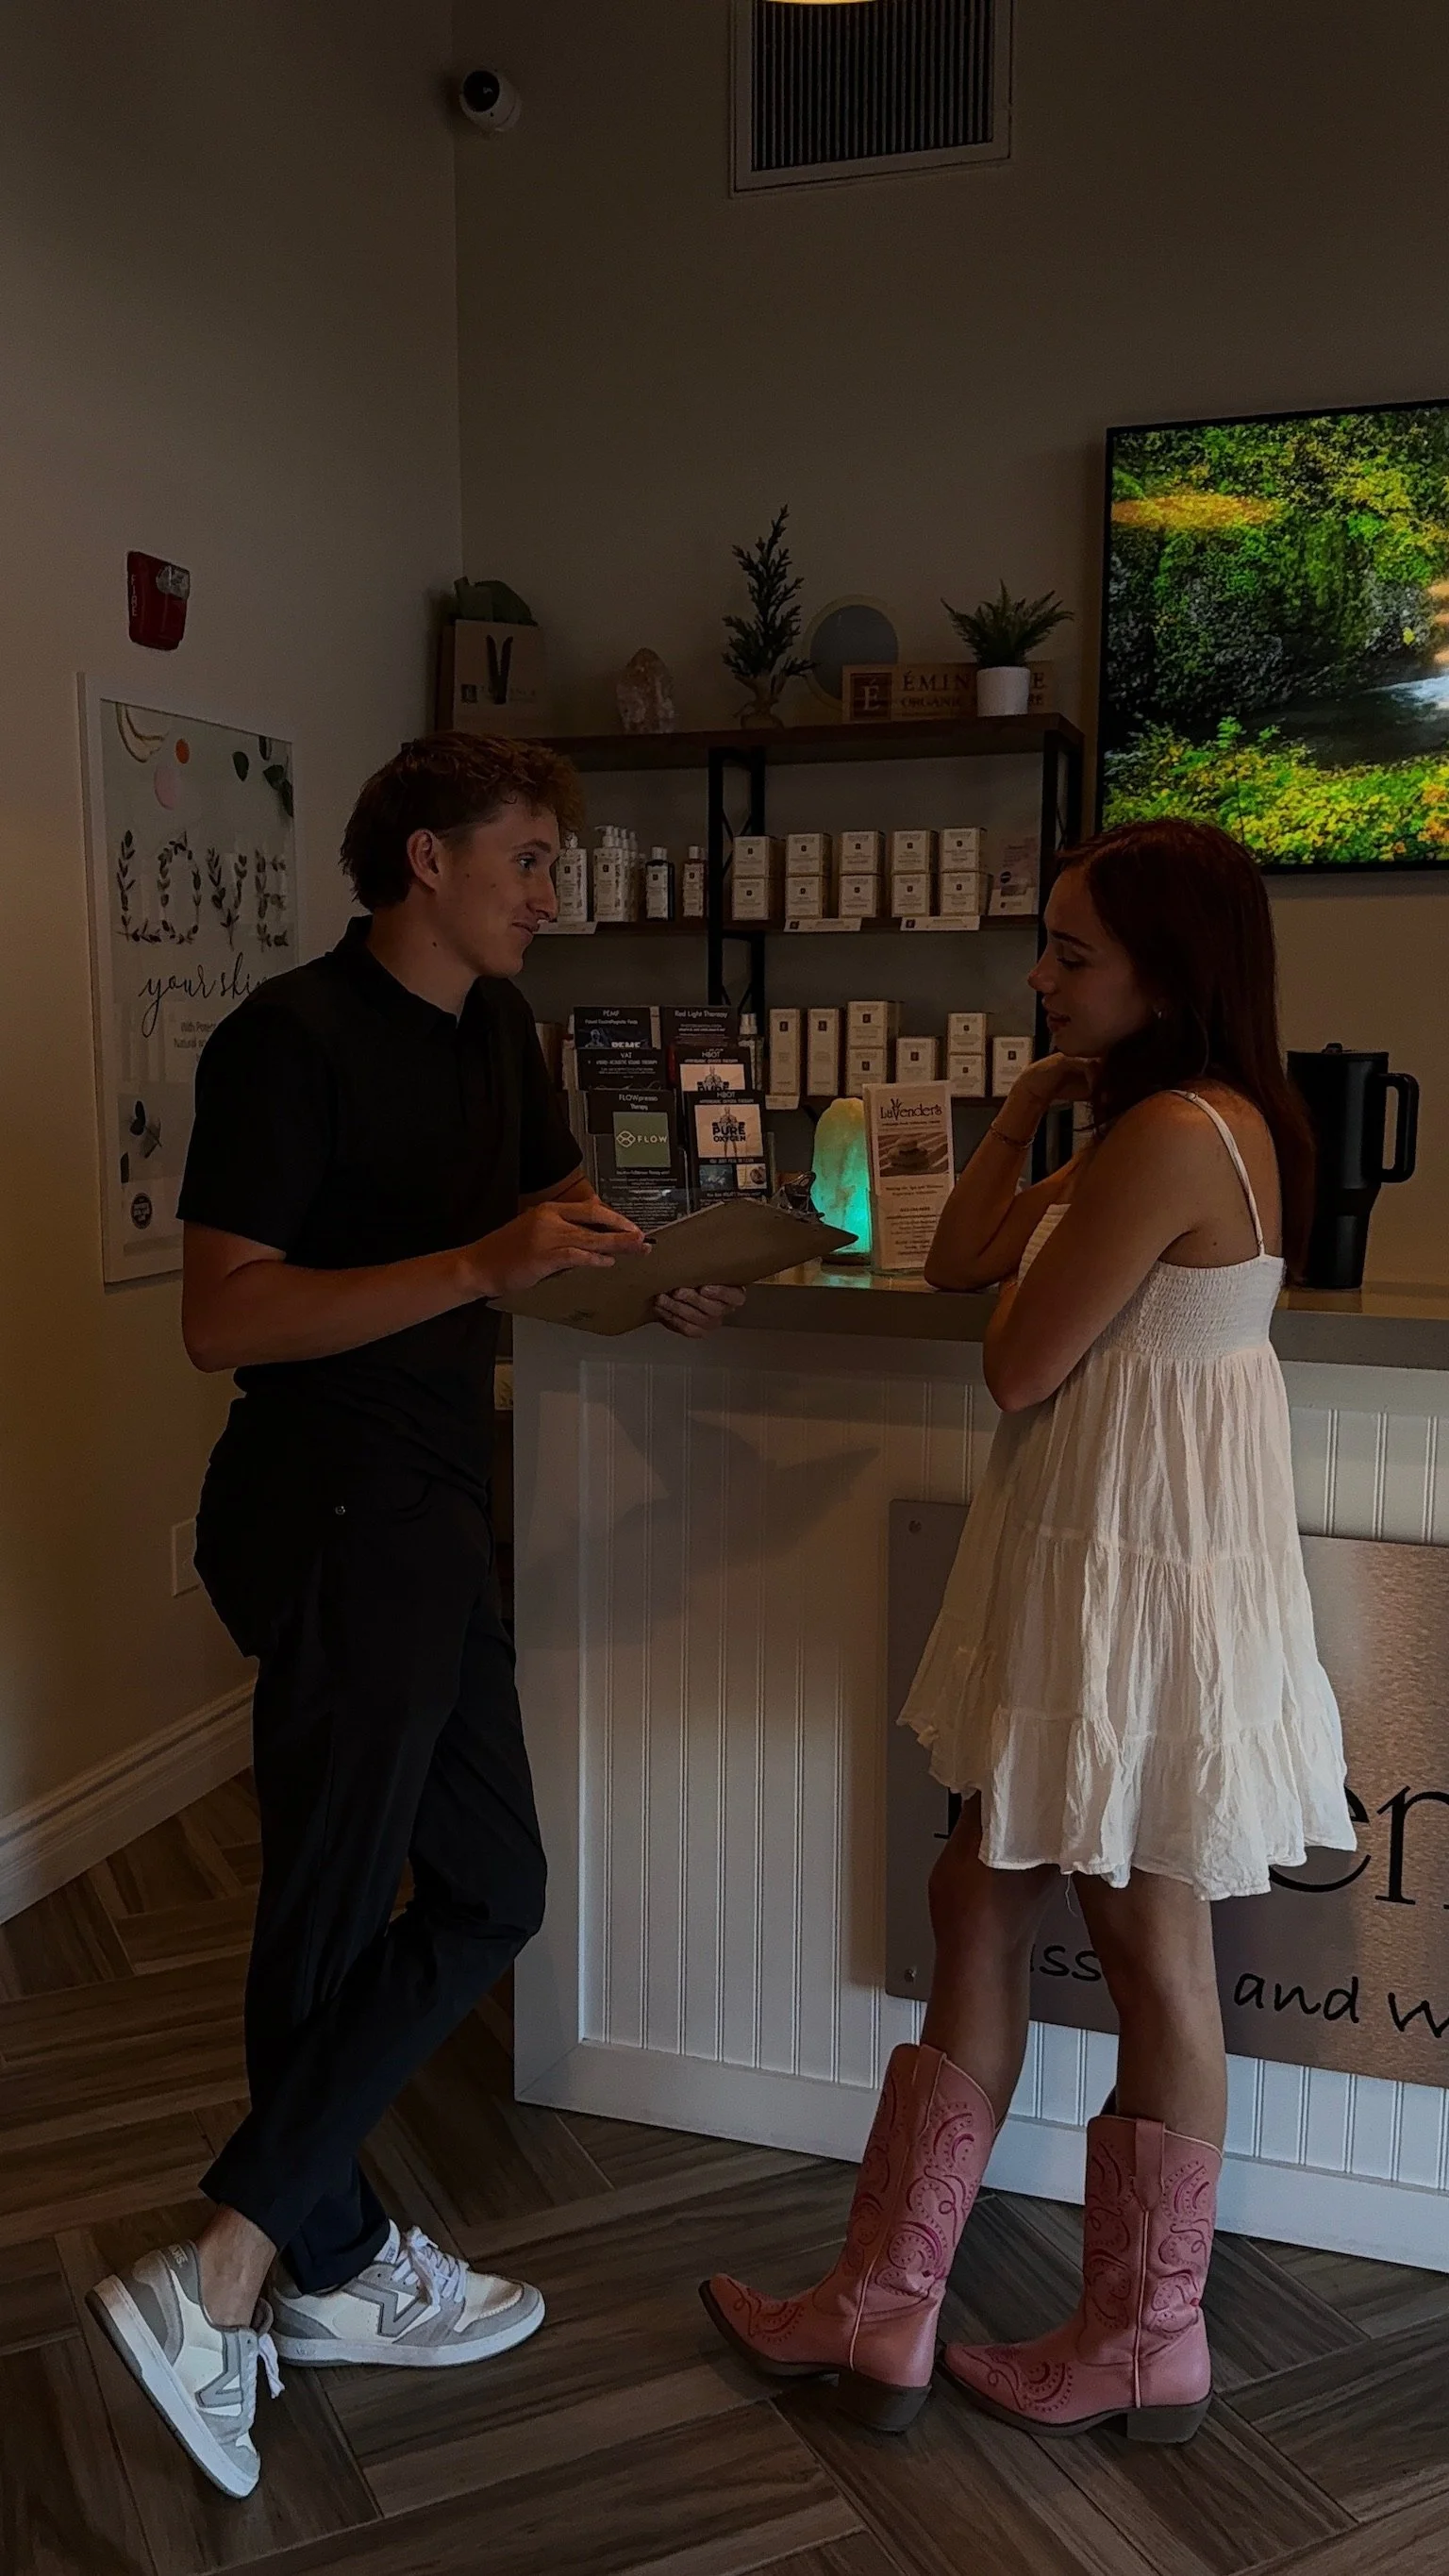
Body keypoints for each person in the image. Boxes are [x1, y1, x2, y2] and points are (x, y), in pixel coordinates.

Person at [88, 732, 743, 2500]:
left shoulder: (500, 1039)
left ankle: (260, 2257)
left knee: (491, 1884)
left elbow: (540, 1235)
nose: (553, 895)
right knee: (324, 1909)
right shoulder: (285, 1041)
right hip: (327, 1517)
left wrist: (649, 1279)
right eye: (529, 859)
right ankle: (280, 2269)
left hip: (439, 1511)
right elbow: (223, 1318)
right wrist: (477, 1267)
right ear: (427, 859)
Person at [702, 818, 1356, 2440]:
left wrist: (1066, 1168)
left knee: (1144, 1945)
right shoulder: (1176, 1119)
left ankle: (1131, 2336)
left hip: (1128, 1583)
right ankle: (888, 2304)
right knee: (980, 1892)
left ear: (1168, 973)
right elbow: (958, 1256)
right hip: (1116, 1565)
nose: (1041, 974)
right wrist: (1021, 1112)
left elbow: (1013, 1360)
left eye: (1074, 951)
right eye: (1046, 943)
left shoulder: (1174, 1136)